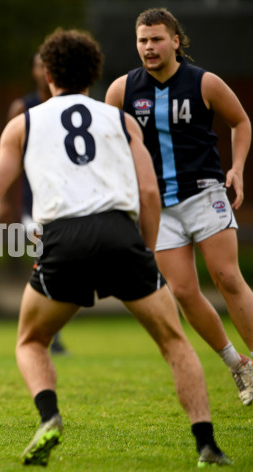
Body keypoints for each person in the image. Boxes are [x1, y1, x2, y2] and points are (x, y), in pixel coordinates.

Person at [0, 28, 231, 467]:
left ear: (47, 73)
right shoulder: (119, 119)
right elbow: (148, 193)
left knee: (31, 340)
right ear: (94, 74)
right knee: (175, 342)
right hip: (120, 233)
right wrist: (142, 246)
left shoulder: (24, 123)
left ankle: (48, 417)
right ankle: (207, 445)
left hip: (61, 239)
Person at [105, 7, 253, 406]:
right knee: (184, 292)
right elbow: (112, 145)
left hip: (205, 192)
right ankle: (238, 364)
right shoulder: (121, 90)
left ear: (175, 41)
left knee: (226, 276)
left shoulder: (205, 82)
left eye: (156, 39)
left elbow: (241, 122)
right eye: (142, 40)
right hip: (157, 206)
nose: (149, 47)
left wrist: (237, 169)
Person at [8, 52, 67, 355]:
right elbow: (9, 161)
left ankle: (50, 329)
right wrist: (6, 200)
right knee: (44, 262)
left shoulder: (69, 109)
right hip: (35, 205)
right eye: (38, 64)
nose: (43, 70)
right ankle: (47, 334)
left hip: (69, 202)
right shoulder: (23, 108)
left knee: (63, 266)